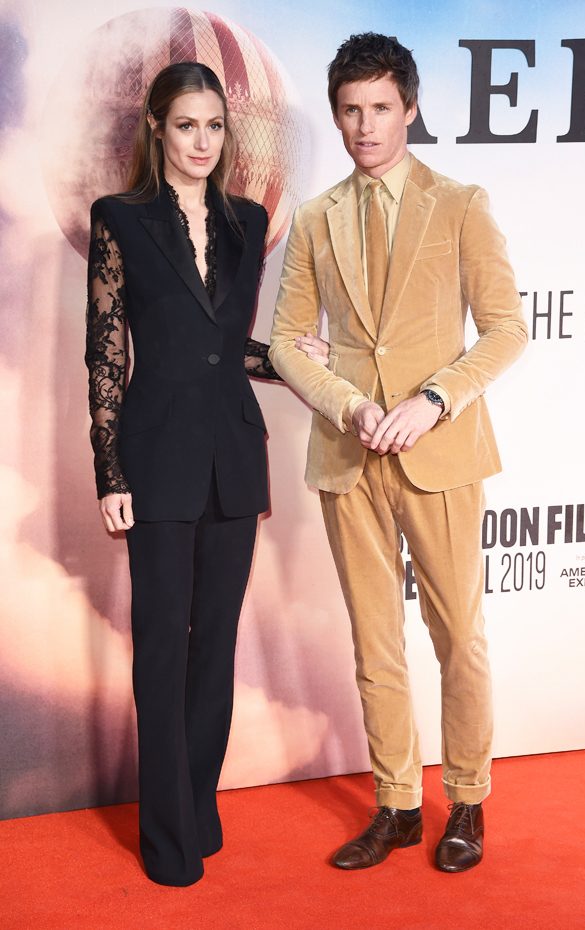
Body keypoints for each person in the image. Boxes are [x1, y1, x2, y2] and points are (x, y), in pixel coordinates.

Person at [270, 33, 528, 873]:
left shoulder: (460, 202)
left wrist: (433, 400)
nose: (365, 126)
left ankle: (468, 802)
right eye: (350, 110)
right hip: (351, 457)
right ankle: (397, 805)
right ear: (338, 114)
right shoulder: (314, 219)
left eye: (381, 108)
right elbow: (283, 342)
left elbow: (506, 329)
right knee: (375, 643)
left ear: (409, 108)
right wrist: (347, 404)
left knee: (460, 637)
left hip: (440, 450)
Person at [85, 62, 326, 887]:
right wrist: (107, 472)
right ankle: (166, 837)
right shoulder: (119, 218)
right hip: (152, 460)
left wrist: (290, 361)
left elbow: (225, 347)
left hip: (231, 453)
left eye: (215, 127)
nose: (202, 142)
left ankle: (196, 803)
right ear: (157, 127)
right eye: (186, 125)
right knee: (160, 647)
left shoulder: (248, 220)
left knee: (214, 647)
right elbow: (108, 350)